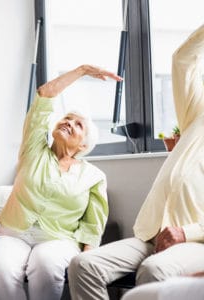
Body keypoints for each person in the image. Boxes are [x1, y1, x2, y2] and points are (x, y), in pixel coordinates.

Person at [68, 23, 204, 300]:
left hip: (196, 242)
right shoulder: (197, 117)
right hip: (151, 233)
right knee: (83, 265)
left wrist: (185, 233)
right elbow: (182, 60)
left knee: (154, 270)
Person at [0, 65, 120, 300]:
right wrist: (82, 71)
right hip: (12, 232)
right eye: (67, 118)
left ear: (83, 146)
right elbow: (44, 95)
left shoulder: (94, 177)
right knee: (4, 270)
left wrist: (87, 262)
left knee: (46, 266)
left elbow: (92, 228)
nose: (69, 122)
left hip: (59, 239)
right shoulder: (34, 149)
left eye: (78, 125)